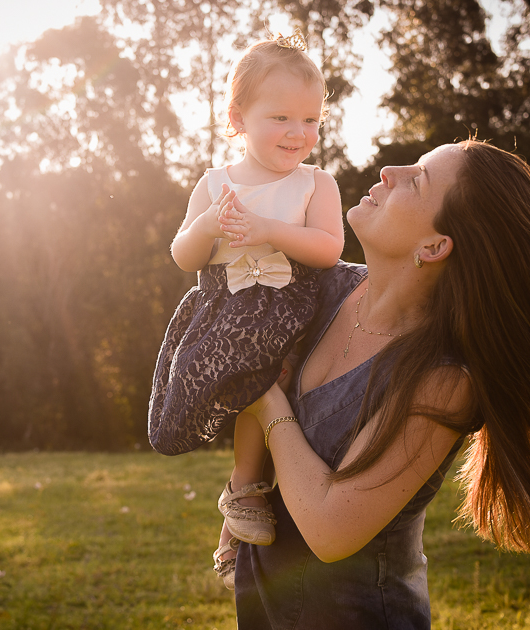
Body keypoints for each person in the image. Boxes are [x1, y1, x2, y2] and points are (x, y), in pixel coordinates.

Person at [220, 139, 530, 628]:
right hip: (265, 606)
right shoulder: (323, 288)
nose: (389, 169)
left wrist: (266, 399)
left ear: (434, 246)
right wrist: (242, 492)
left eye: (417, 179)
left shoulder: (443, 379)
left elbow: (330, 530)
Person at [147, 31, 345, 589]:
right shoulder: (215, 185)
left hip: (296, 310)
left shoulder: (316, 183)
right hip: (231, 313)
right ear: (237, 118)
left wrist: (267, 231)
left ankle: (244, 495)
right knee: (253, 377)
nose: (297, 133)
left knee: (274, 377)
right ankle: (244, 495)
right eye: (281, 117)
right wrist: (208, 224)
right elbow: (184, 256)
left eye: (310, 119)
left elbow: (330, 249)